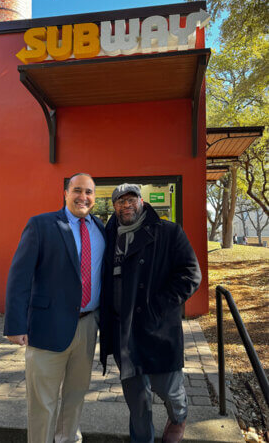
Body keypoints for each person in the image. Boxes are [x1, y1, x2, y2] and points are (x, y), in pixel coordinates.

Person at [4, 173, 105, 443]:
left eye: (89, 192)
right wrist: (15, 325)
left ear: (95, 198)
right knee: (43, 402)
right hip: (46, 327)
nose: (83, 197)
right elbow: (19, 276)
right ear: (65, 193)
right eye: (78, 190)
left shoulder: (101, 228)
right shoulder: (41, 225)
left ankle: (68, 439)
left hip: (87, 326)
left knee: (75, 396)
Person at [100, 183, 201, 443]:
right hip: (124, 331)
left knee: (168, 389)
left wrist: (157, 307)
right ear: (114, 207)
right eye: (120, 201)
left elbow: (190, 275)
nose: (126, 204)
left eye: (131, 198)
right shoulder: (107, 237)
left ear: (142, 201)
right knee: (137, 399)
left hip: (157, 328)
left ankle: (179, 416)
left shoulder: (168, 232)